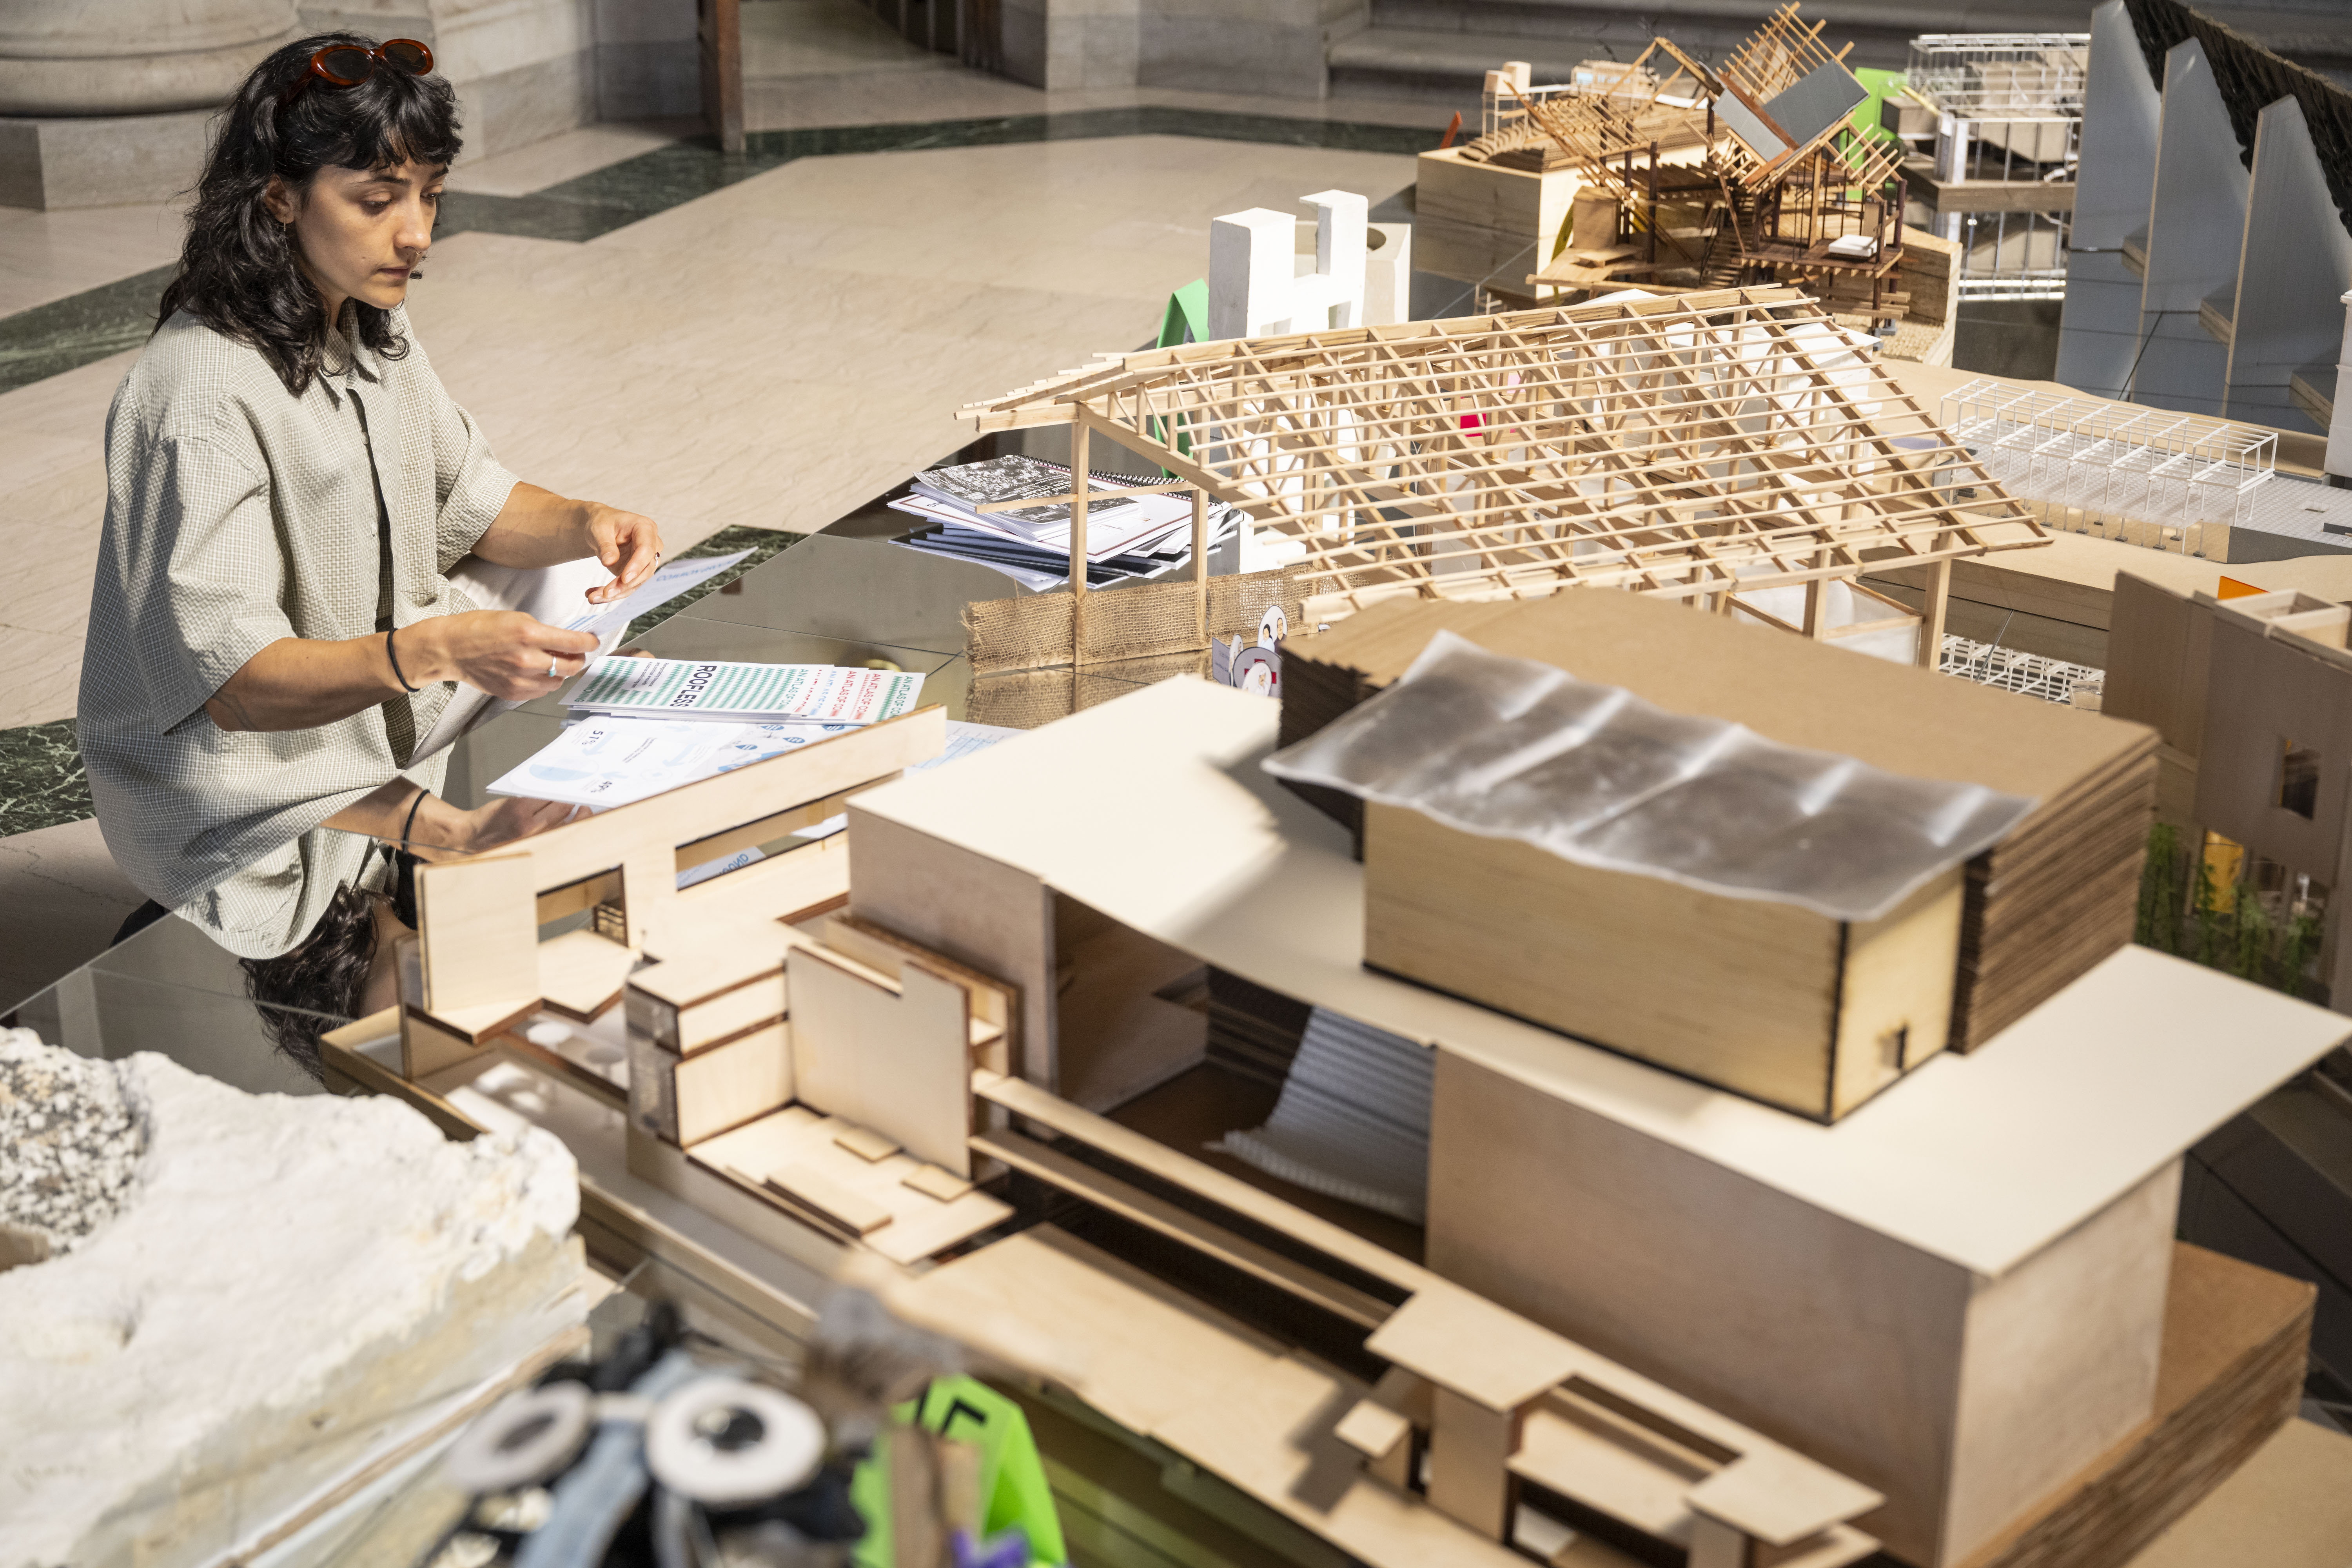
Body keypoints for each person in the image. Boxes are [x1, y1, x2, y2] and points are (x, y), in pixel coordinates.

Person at [79, 33, 667, 1070]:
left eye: (430, 197)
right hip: (220, 773)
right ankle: (395, 851)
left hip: (363, 705)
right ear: (277, 199)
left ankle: (426, 823)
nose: (416, 235)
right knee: (430, 1001)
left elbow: (473, 503)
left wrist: (584, 520)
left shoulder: (371, 329)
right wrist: (436, 650)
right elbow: (237, 689)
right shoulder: (198, 396)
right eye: (379, 199)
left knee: (574, 580)